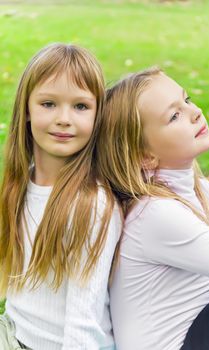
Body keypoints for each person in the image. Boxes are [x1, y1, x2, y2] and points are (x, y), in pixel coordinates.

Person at [96, 67, 209, 350]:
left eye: (188, 100)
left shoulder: (200, 189)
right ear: (146, 156)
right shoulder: (154, 215)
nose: (194, 112)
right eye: (174, 116)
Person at [0, 43, 122, 350]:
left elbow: (85, 321)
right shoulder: (20, 183)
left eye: (81, 106)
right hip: (14, 334)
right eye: (48, 104)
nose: (64, 118)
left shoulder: (90, 204)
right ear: (26, 110)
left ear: (98, 116)